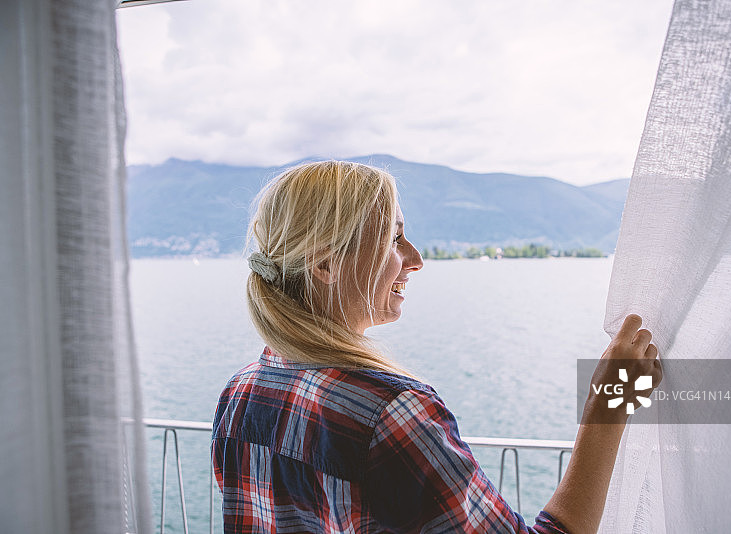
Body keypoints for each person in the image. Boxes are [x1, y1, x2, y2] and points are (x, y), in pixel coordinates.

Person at [212, 160, 661, 533]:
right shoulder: (391, 412)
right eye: (393, 237)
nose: (416, 258)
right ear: (326, 262)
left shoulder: (240, 394)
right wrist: (611, 404)